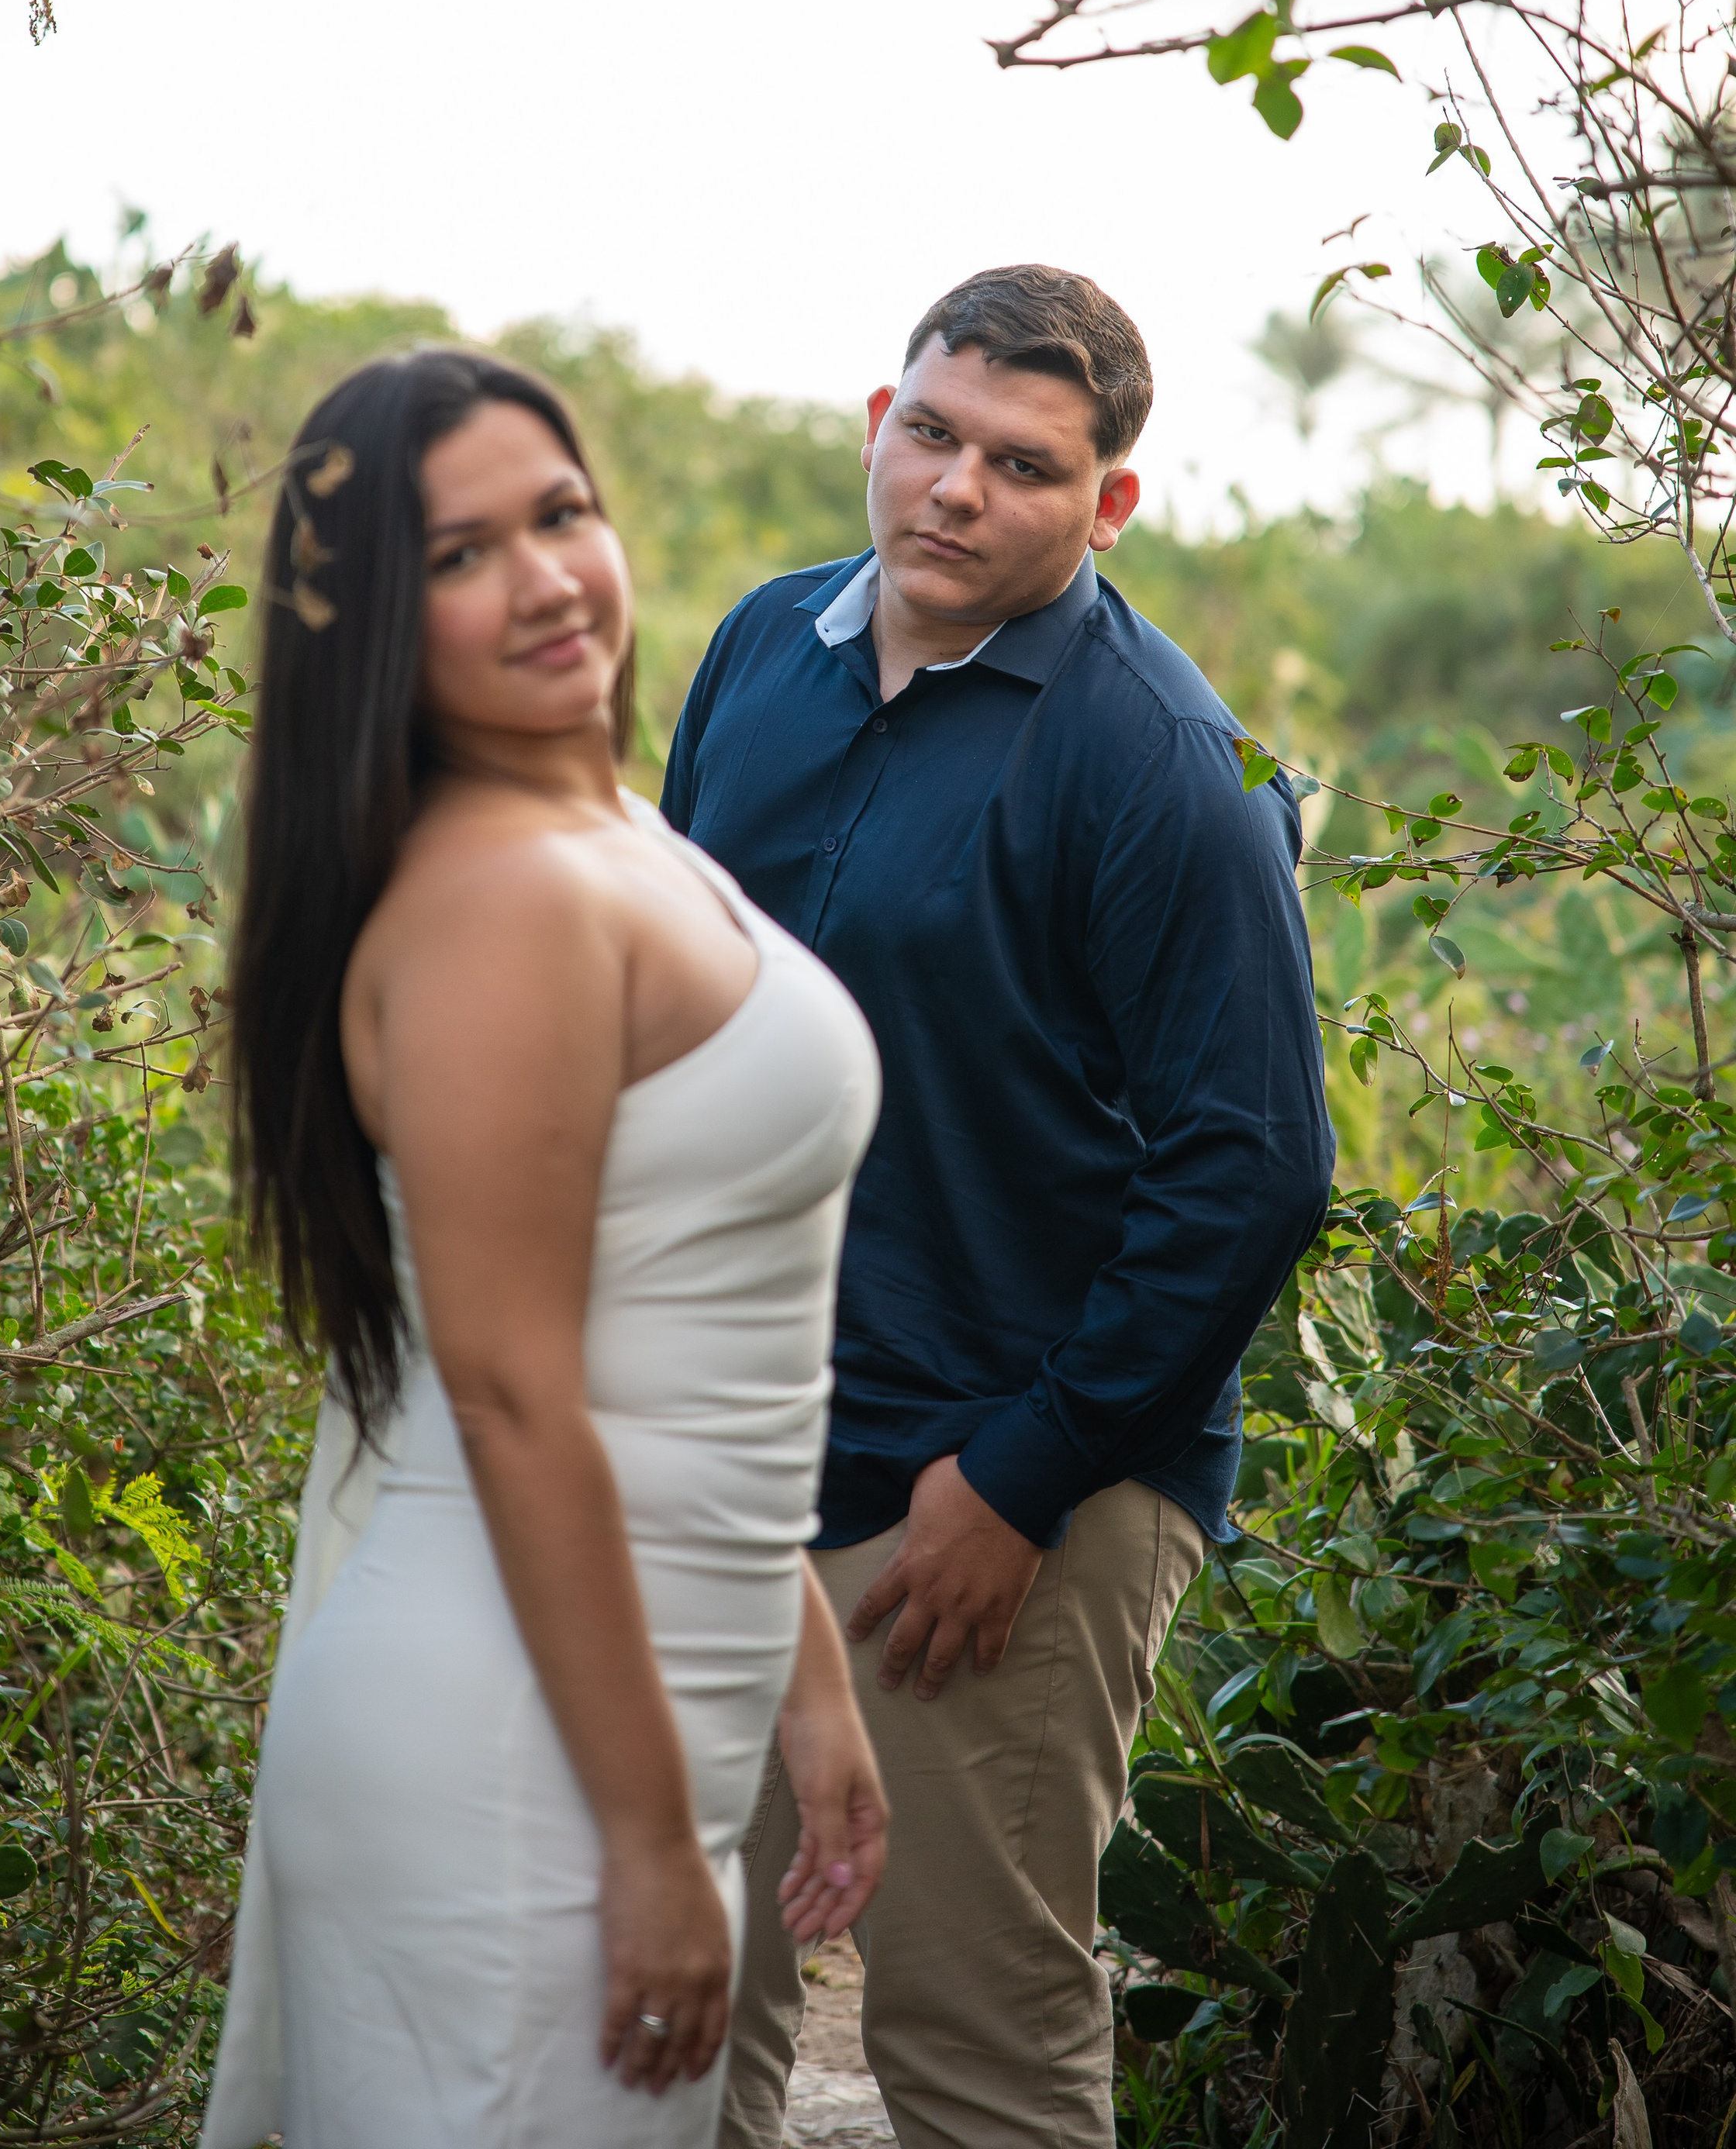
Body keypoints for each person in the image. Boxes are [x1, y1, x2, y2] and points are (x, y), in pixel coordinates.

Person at [661, 265, 1336, 2149]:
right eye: (932, 435)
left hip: (1003, 1484)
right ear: (878, 424)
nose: (955, 491)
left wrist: (1020, 1476)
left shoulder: (1157, 770)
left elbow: (1256, 1169)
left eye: (1022, 467)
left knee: (975, 2046)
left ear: (1105, 504)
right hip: (734, 1453)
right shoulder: (757, 652)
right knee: (661, 2004)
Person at [199, 347, 889, 2149]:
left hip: (633, 1702)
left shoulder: (610, 835)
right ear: (363, 628)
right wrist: (653, 1844)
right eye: (456, 556)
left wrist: (805, 1681)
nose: (543, 578)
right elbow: (513, 1393)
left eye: (560, 514)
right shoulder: (501, 902)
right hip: (514, 1756)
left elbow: (682, 1334)